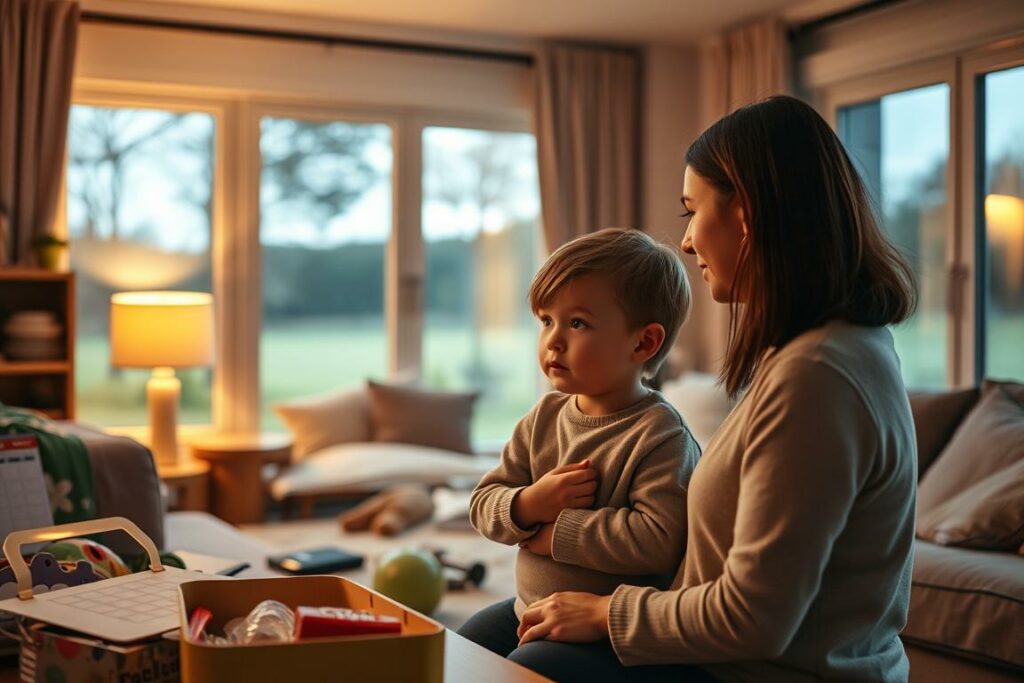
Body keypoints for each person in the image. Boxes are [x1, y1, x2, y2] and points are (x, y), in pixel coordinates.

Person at [514, 95, 919, 683]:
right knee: (477, 640)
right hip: (721, 657)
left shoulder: (819, 377)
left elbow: (754, 616)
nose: (685, 242)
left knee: (529, 668)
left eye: (690, 212)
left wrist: (604, 612)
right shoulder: (827, 350)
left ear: (746, 216)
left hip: (754, 671)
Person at [458, 227, 704, 681]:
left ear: (644, 343)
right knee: (461, 648)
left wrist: (557, 533)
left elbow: (659, 541)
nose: (553, 339)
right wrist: (530, 503)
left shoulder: (659, 434)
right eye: (547, 320)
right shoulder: (545, 416)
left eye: (578, 324)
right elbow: (482, 501)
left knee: (525, 670)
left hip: (607, 632)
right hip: (529, 609)